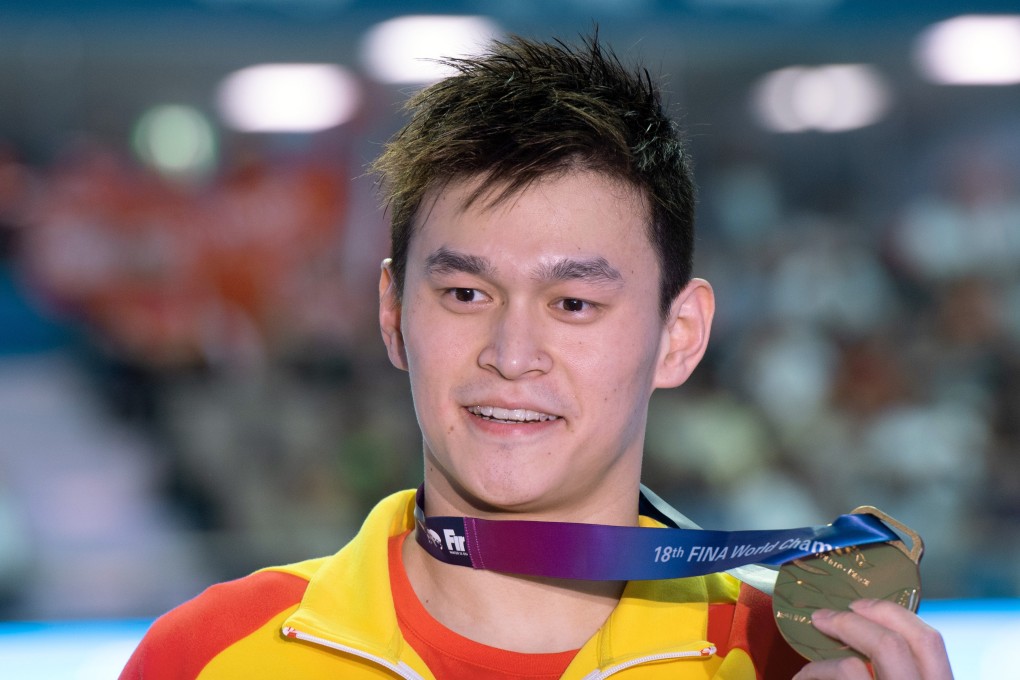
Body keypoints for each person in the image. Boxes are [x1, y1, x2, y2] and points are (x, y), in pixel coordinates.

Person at [120, 33, 954, 679]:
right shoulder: (213, 656)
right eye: (465, 295)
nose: (513, 355)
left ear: (680, 336)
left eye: (575, 304)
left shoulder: (791, 661)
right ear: (391, 313)